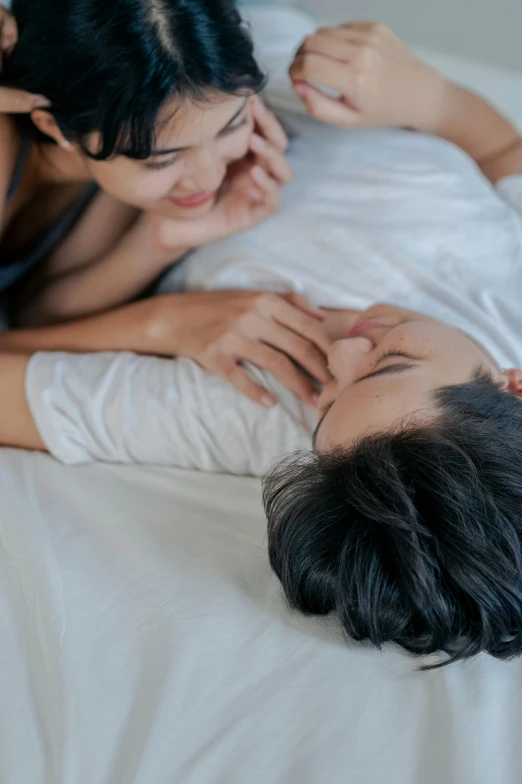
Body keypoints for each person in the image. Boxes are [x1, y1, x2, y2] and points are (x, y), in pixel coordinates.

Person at [3, 8, 522, 663]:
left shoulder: (256, 404)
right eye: (391, 361)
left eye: (325, 404)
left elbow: (23, 350)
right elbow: (508, 157)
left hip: (139, 85)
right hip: (284, 60)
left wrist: (164, 317)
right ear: (514, 384)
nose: (339, 352)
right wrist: (435, 98)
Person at [0, 0, 331, 408]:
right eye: (163, 159)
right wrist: (160, 325)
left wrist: (163, 238)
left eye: (232, 124)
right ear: (52, 125)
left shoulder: (114, 158)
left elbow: (35, 316)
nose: (209, 177)